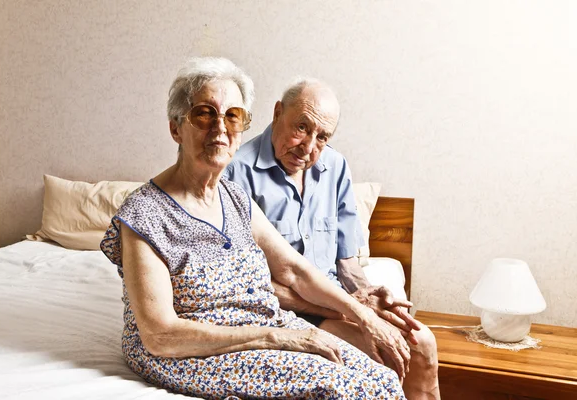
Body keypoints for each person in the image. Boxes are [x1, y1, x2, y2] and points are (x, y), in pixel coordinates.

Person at [100, 57, 408, 399]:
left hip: (265, 326)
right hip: (196, 346)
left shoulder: (235, 198)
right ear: (176, 127)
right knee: (352, 391)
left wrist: (364, 316)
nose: (220, 128)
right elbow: (159, 334)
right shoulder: (145, 214)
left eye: (232, 116)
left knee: (382, 380)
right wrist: (285, 338)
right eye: (204, 113)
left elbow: (294, 271)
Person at [224, 79, 441, 399]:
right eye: (301, 127)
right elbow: (243, 283)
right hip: (282, 309)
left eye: (322, 137)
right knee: (385, 357)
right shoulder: (234, 173)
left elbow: (346, 261)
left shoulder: (335, 167)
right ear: (277, 112)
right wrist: (346, 310)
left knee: (423, 342)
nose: (309, 147)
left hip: (336, 301)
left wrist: (363, 292)